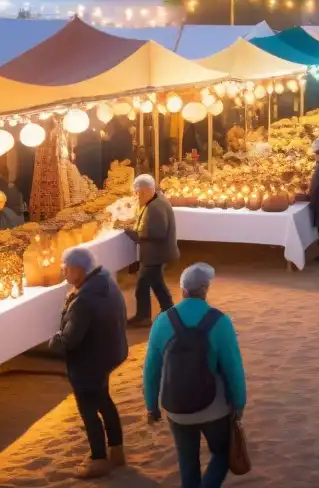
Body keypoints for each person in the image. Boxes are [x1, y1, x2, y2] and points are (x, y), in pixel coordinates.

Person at [143, 263, 246, 488]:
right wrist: (239, 403)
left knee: (187, 463)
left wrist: (151, 406)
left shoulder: (162, 321)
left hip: (176, 407)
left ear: (183, 290)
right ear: (205, 289)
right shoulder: (220, 321)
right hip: (214, 408)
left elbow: (151, 369)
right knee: (221, 454)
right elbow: (233, 368)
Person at [49, 246, 128, 478]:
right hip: (106, 355)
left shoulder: (84, 300)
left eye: (66, 269)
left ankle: (99, 459)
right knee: (104, 400)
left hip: (88, 362)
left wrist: (54, 340)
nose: (63, 273)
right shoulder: (107, 283)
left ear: (79, 270)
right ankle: (117, 450)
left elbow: (69, 340)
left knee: (88, 409)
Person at [123, 174, 178, 327]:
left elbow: (158, 233)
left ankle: (145, 317)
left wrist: (135, 234)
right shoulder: (156, 201)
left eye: (138, 193)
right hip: (155, 253)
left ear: (146, 191)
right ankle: (167, 311)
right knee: (156, 283)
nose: (137, 196)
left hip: (156, 254)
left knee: (144, 285)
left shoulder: (155, 207)